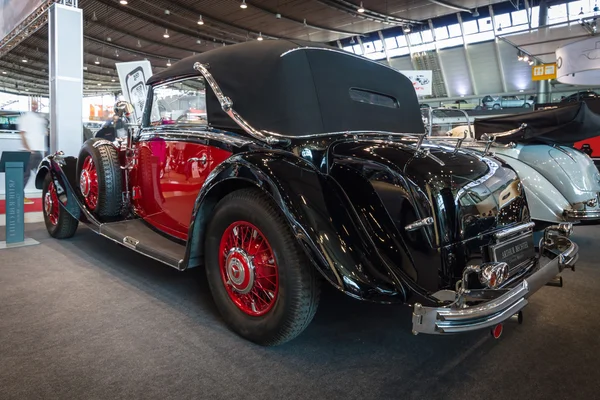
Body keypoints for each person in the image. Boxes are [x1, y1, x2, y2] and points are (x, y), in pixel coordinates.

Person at [17, 111, 47, 204]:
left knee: (45, 174)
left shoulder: (39, 118)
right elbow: (22, 134)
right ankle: (19, 197)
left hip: (38, 151)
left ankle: (49, 196)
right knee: (26, 175)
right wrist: (28, 149)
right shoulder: (25, 117)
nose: (35, 104)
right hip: (30, 152)